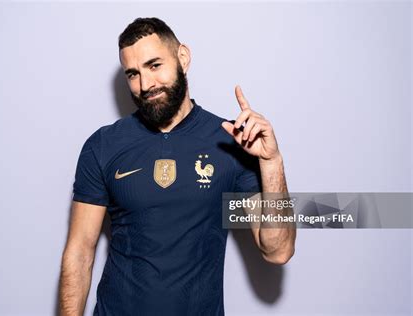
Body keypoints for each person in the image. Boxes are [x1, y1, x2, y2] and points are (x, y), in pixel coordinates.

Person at [59, 17, 296, 316]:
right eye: (133, 74)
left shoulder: (230, 143)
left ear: (182, 57)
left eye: (154, 65)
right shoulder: (104, 145)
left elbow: (277, 250)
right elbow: (79, 252)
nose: (146, 85)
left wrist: (271, 162)